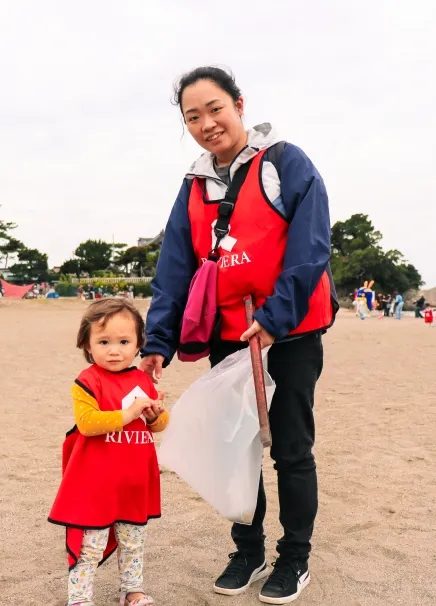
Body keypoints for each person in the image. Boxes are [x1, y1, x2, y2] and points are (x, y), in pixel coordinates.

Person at [139, 66, 338, 604]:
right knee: (239, 449)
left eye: (215, 109)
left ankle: (293, 558)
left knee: (291, 448)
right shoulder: (195, 185)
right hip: (230, 334)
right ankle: (247, 551)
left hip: (288, 333)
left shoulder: (285, 162)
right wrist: (157, 342)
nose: (207, 123)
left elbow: (311, 244)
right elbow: (175, 264)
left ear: (240, 105)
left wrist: (275, 317)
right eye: (193, 117)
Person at [49, 298, 169, 606]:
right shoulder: (88, 380)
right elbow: (87, 423)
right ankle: (79, 597)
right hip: (96, 483)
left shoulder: (142, 380)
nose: (114, 350)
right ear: (87, 345)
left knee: (134, 540)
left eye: (124, 341)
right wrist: (129, 413)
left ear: (139, 344)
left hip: (133, 481)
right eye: (103, 342)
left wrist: (155, 414)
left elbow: (158, 426)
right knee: (91, 543)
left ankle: (132, 589)